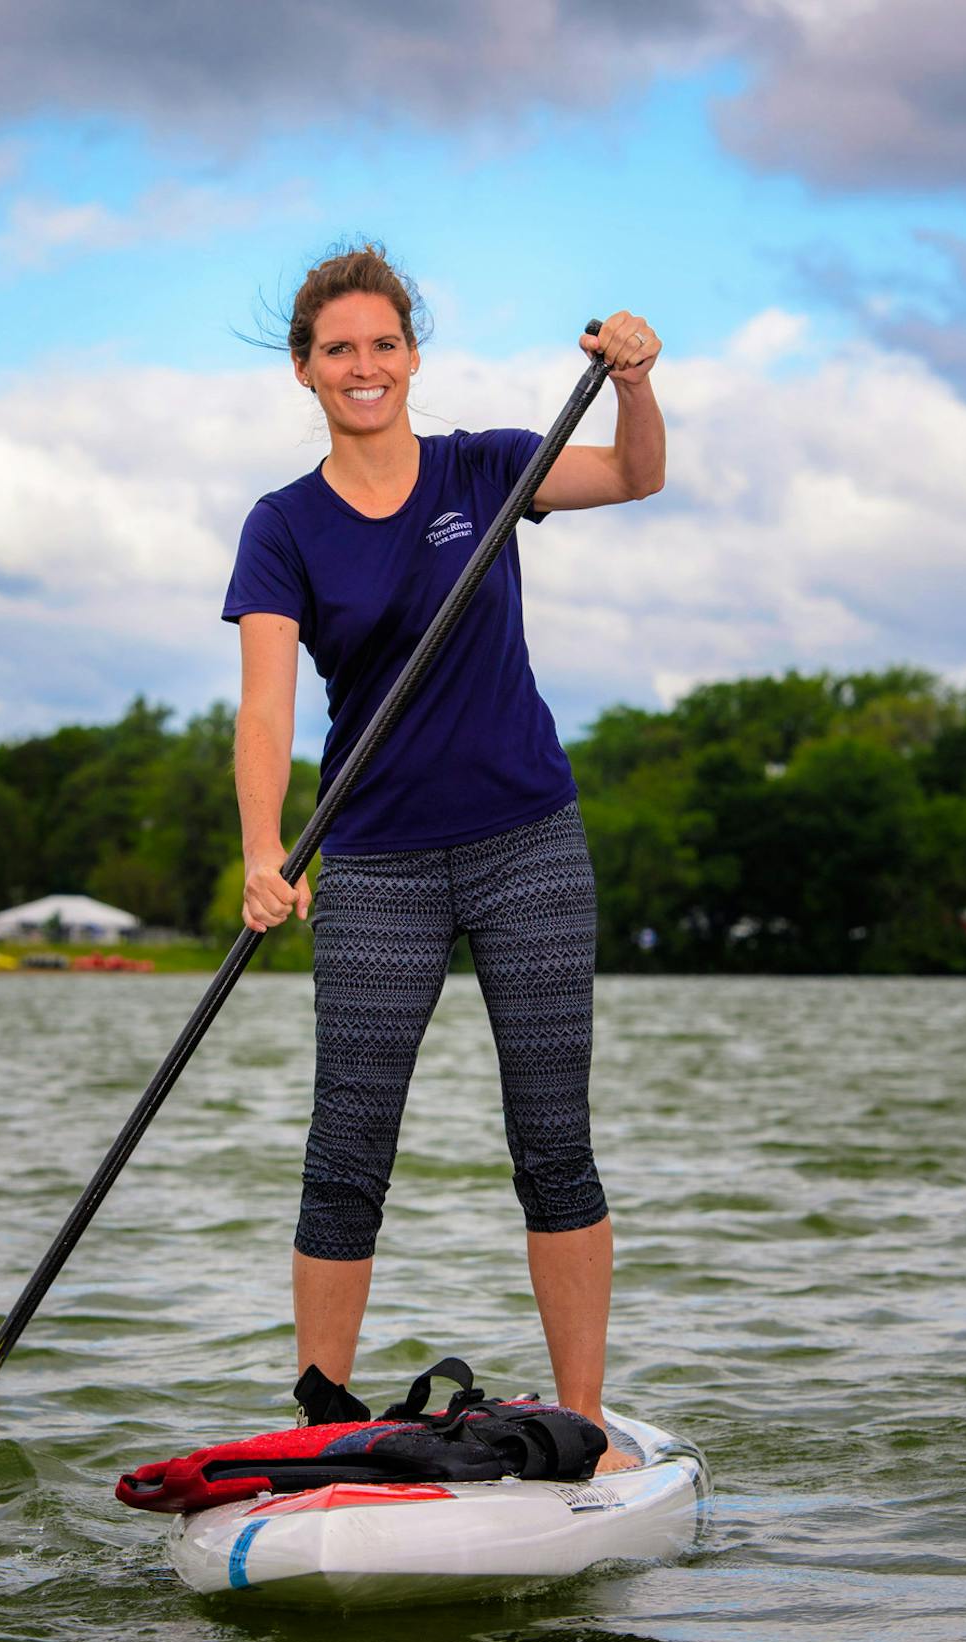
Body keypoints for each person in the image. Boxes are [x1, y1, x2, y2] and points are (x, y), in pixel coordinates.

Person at [224, 243, 663, 1473]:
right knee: (345, 1149)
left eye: (382, 345)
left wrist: (631, 380)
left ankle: (583, 1422)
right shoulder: (283, 527)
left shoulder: (485, 466)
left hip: (528, 840)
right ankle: (325, 1424)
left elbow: (637, 474)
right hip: (371, 862)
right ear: (305, 371)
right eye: (337, 350)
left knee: (553, 1140)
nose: (363, 367)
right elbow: (263, 713)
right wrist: (266, 851)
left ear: (412, 357)